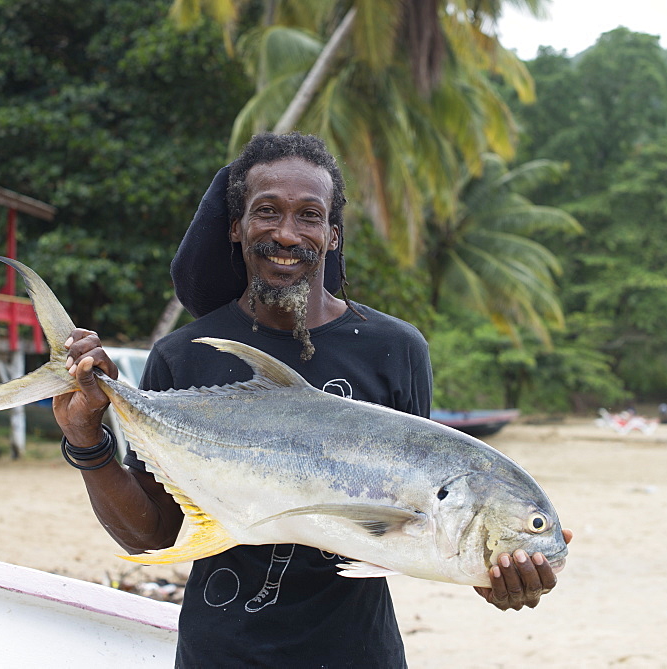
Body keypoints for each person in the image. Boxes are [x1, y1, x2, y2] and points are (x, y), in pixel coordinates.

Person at [53, 132, 570, 667]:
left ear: (332, 233)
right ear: (237, 226)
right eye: (267, 211)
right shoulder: (184, 355)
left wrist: (488, 576)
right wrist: (86, 439)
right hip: (220, 655)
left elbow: (408, 524)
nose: (286, 232)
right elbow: (152, 535)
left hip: (358, 653)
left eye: (309, 215)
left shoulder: (396, 349)